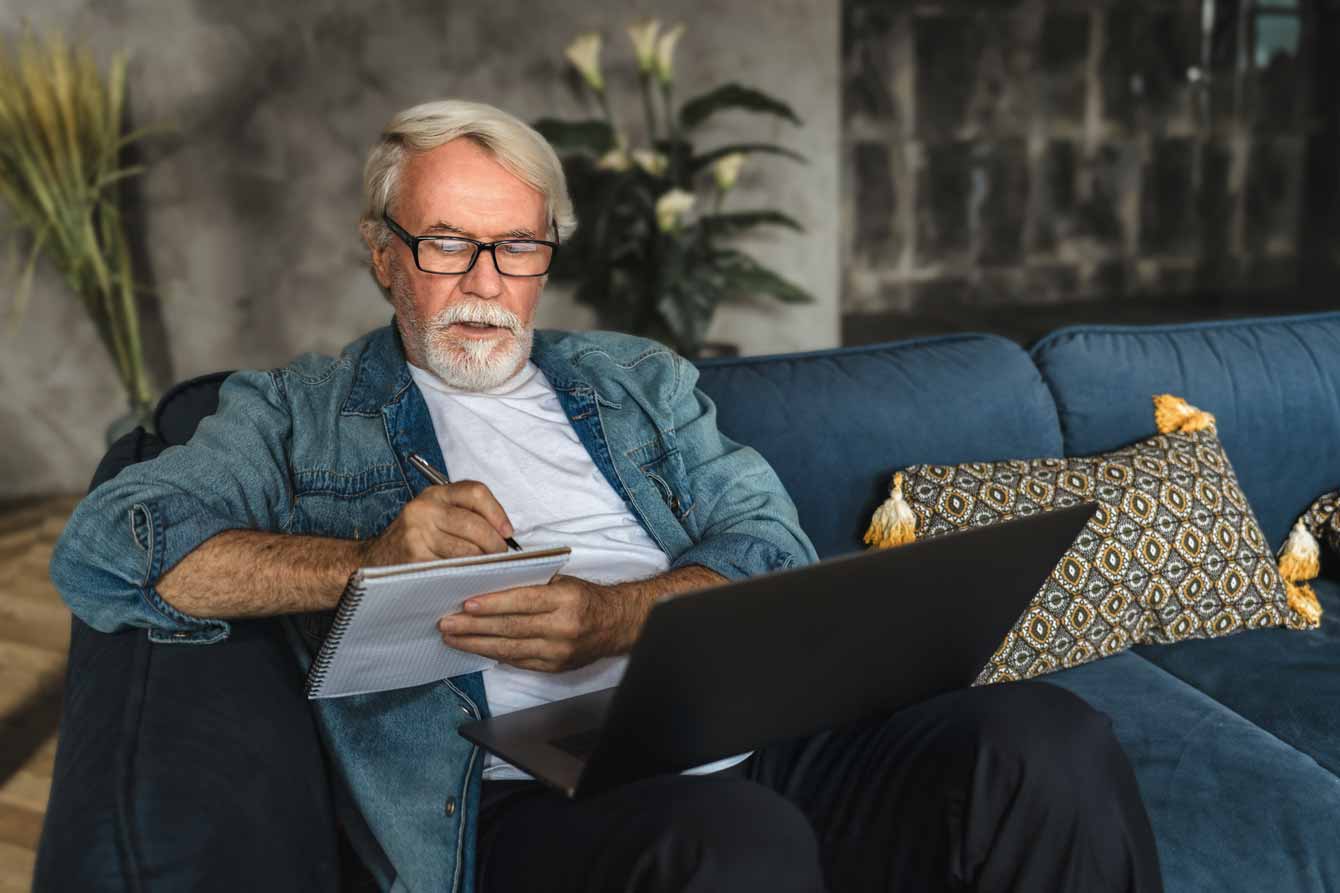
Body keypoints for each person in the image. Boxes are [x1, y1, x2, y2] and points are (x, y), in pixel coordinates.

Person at [49, 99, 1162, 892]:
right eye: (448, 244)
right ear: (383, 254)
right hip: (522, 791)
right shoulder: (297, 412)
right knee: (729, 842)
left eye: (517, 247)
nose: (486, 283)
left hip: (748, 721)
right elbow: (104, 549)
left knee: (1043, 741)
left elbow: (768, 540)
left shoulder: (635, 380)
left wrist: (619, 616)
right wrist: (364, 565)